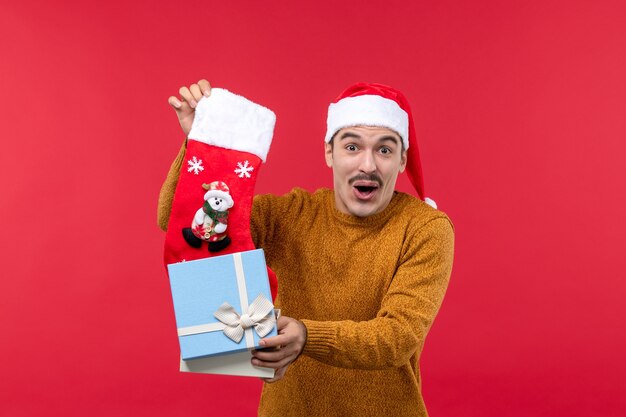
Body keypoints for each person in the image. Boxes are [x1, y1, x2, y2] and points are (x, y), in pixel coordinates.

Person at [158, 79, 454, 416]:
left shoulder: (426, 228)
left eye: (384, 149)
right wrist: (203, 143)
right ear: (329, 152)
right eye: (352, 147)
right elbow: (175, 220)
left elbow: (396, 336)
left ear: (402, 159)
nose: (368, 165)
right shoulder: (292, 215)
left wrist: (306, 336)